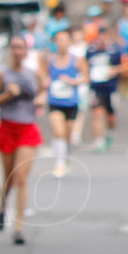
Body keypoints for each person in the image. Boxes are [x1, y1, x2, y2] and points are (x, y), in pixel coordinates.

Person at [0, 36, 46, 245]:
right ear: (10, 51)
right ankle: (2, 206)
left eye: (21, 47)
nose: (17, 51)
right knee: (9, 178)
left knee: (21, 178)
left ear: (26, 50)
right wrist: (6, 96)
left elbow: (43, 92)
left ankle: (19, 227)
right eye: (14, 48)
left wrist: (41, 99)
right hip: (7, 126)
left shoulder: (33, 74)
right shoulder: (1, 75)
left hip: (27, 128)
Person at [42, 29, 88, 177]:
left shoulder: (77, 60)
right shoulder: (50, 60)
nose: (61, 43)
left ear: (69, 42)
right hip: (54, 100)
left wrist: (73, 82)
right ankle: (59, 163)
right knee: (58, 131)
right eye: (59, 40)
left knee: (68, 133)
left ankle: (66, 157)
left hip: (71, 101)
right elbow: (44, 77)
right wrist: (44, 83)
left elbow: (86, 78)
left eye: (64, 40)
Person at [86, 26, 125, 153]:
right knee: (97, 113)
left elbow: (124, 66)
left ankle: (110, 134)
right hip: (96, 88)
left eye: (104, 35)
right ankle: (98, 141)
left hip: (110, 88)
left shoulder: (114, 51)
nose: (102, 38)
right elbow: (85, 65)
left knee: (111, 117)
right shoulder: (91, 50)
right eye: (100, 35)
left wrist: (115, 70)